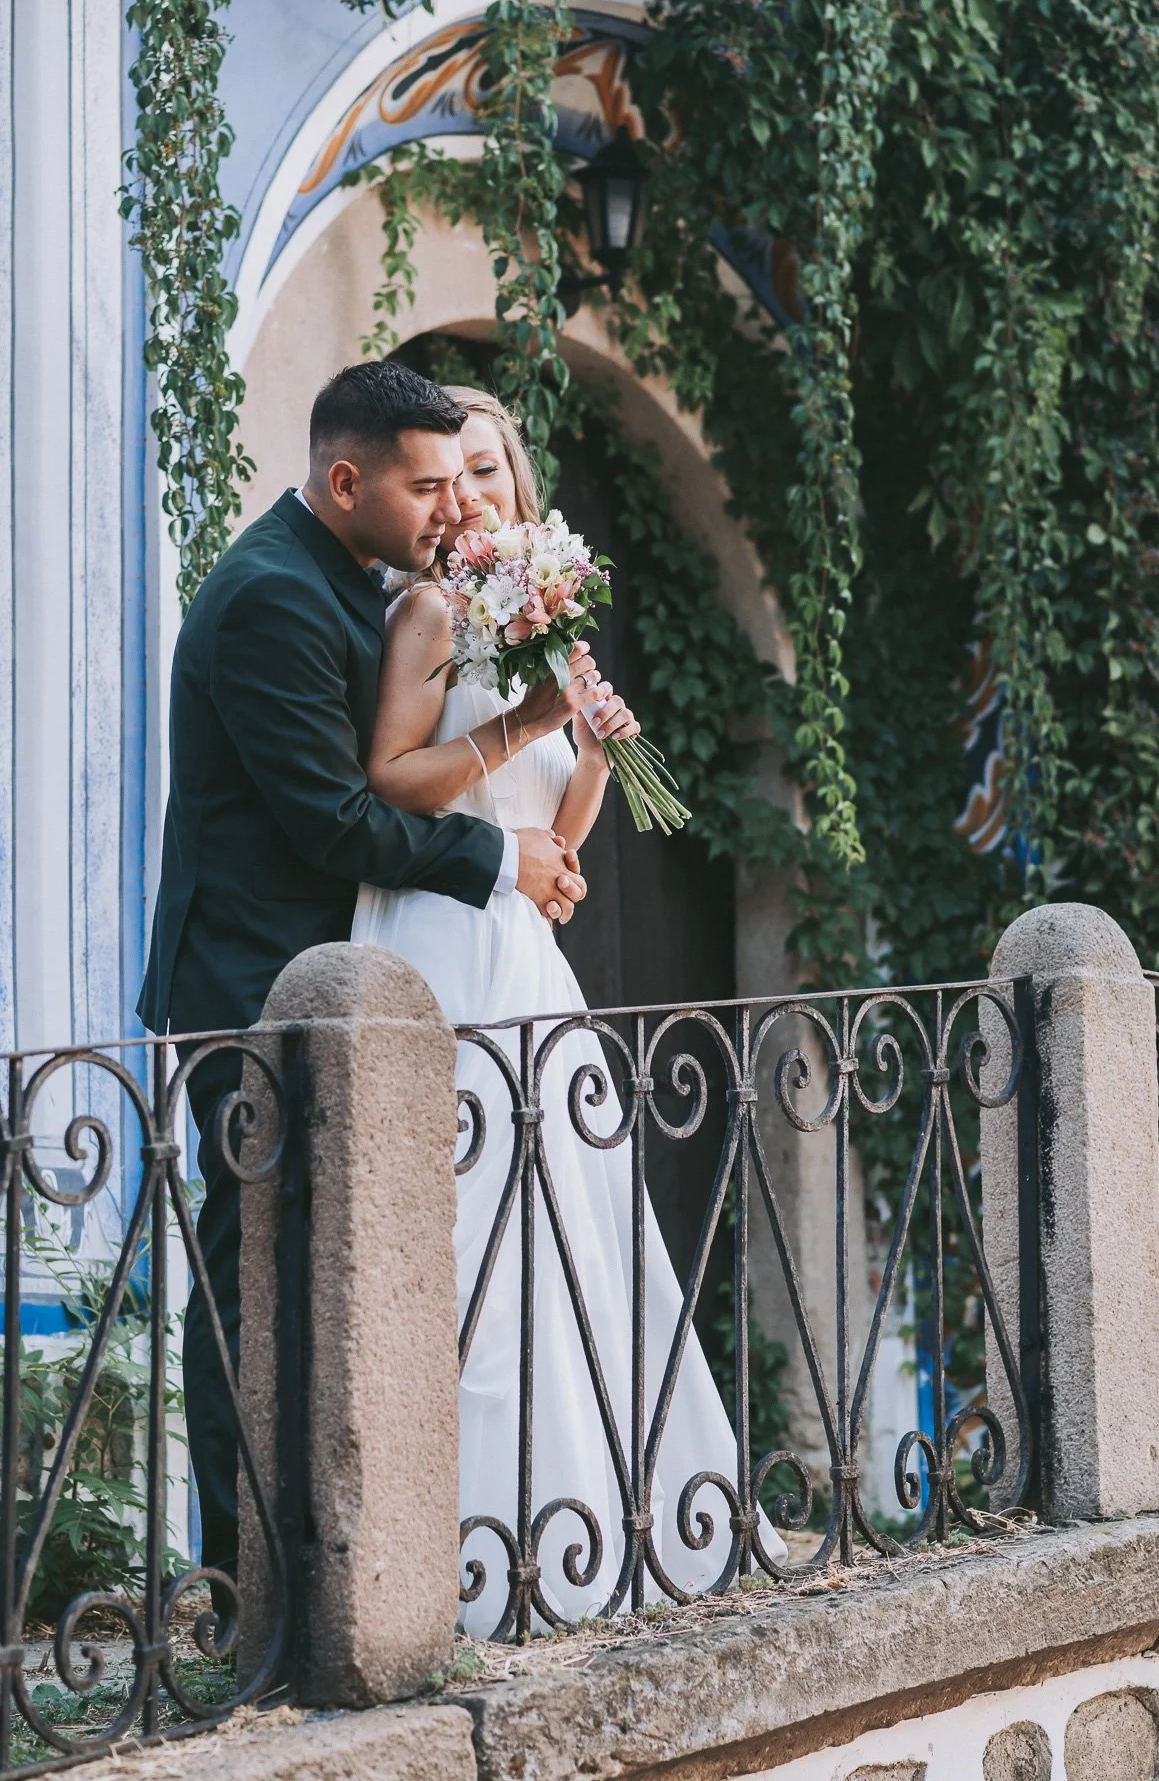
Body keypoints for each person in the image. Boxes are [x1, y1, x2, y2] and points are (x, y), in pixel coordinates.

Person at [137, 363, 589, 1598]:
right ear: (347, 480)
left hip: (339, 987)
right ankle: (246, 1591)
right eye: (426, 485)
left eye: (462, 480)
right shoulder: (270, 598)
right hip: (250, 989)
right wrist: (500, 855)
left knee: (332, 1283)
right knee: (253, 1288)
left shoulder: (356, 578)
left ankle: (346, 1564)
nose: (453, 508)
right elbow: (334, 821)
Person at [352, 385, 779, 1635]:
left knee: (574, 1246)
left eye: (488, 469)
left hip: (530, 958)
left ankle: (592, 1532)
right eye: (447, 474)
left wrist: (588, 750)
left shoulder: (542, 614)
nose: (470, 493)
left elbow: (561, 852)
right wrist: (531, 722)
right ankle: (460, 1561)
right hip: (441, 942)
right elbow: (391, 778)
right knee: (469, 1243)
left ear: (517, 485)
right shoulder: (431, 609)